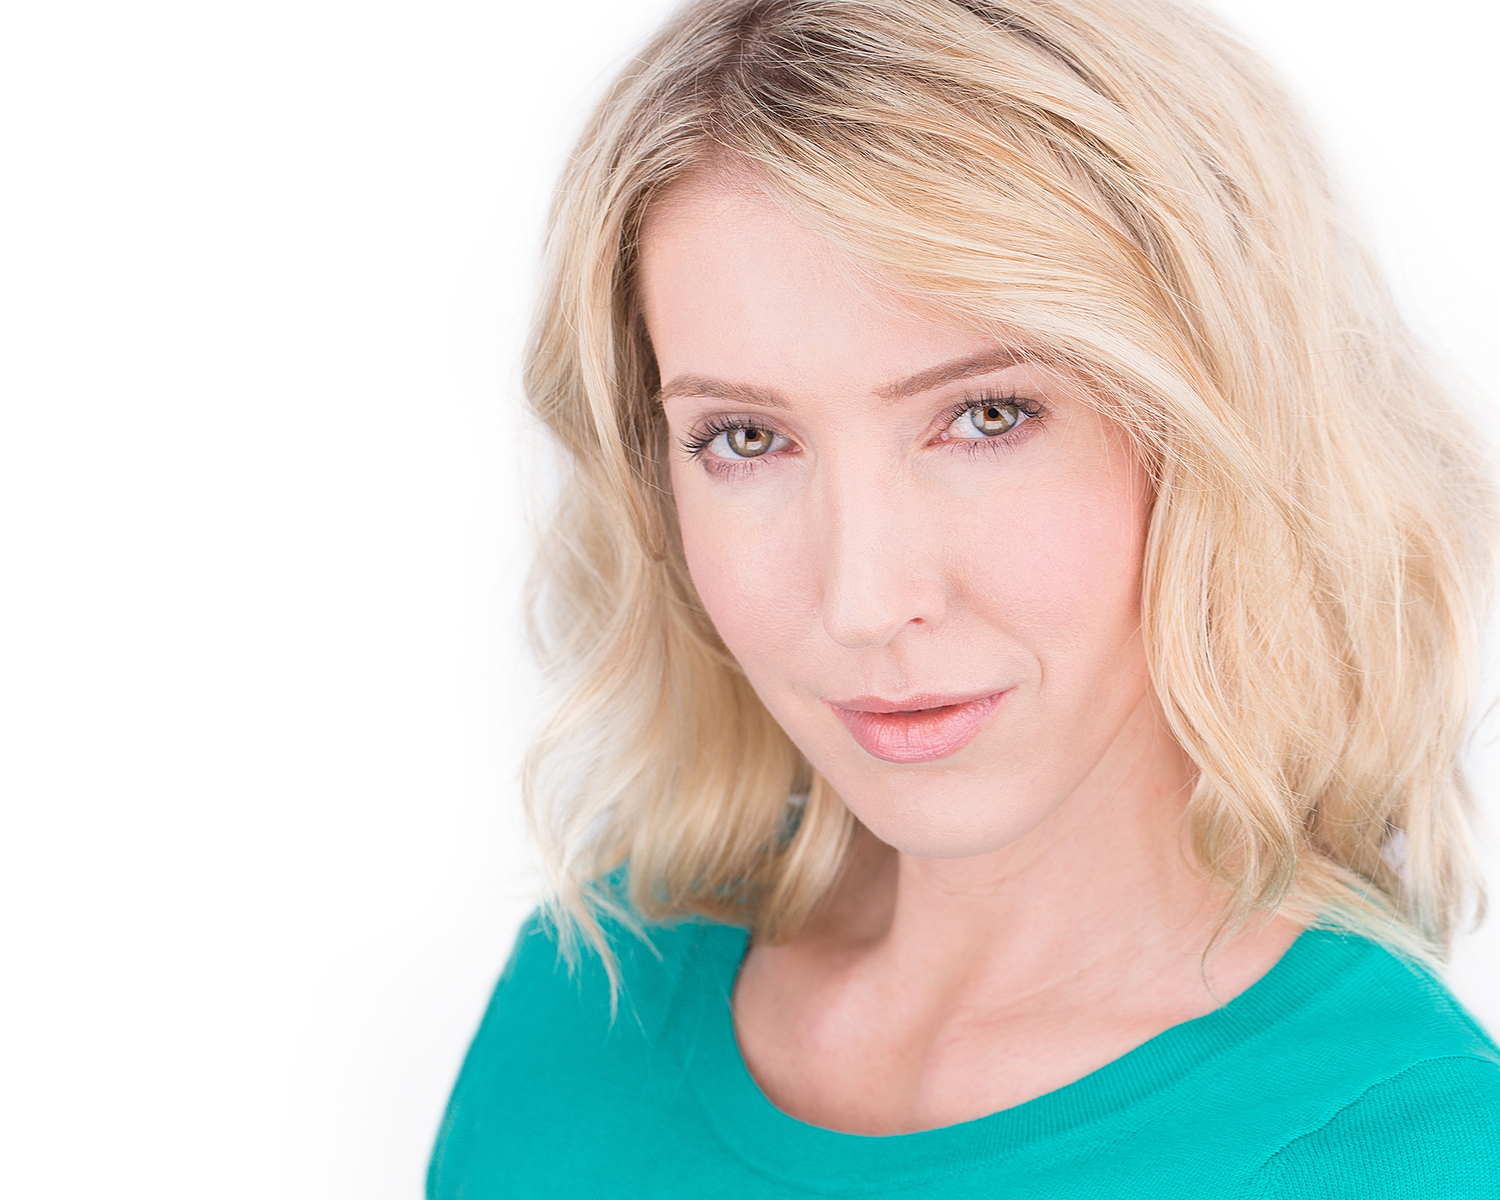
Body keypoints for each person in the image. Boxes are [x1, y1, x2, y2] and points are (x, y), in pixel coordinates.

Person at [429, 0, 1500, 1194]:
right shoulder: (594, 997)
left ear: (1221, 425)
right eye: (745, 438)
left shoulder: (1407, 1154)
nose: (863, 600)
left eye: (988, 417)